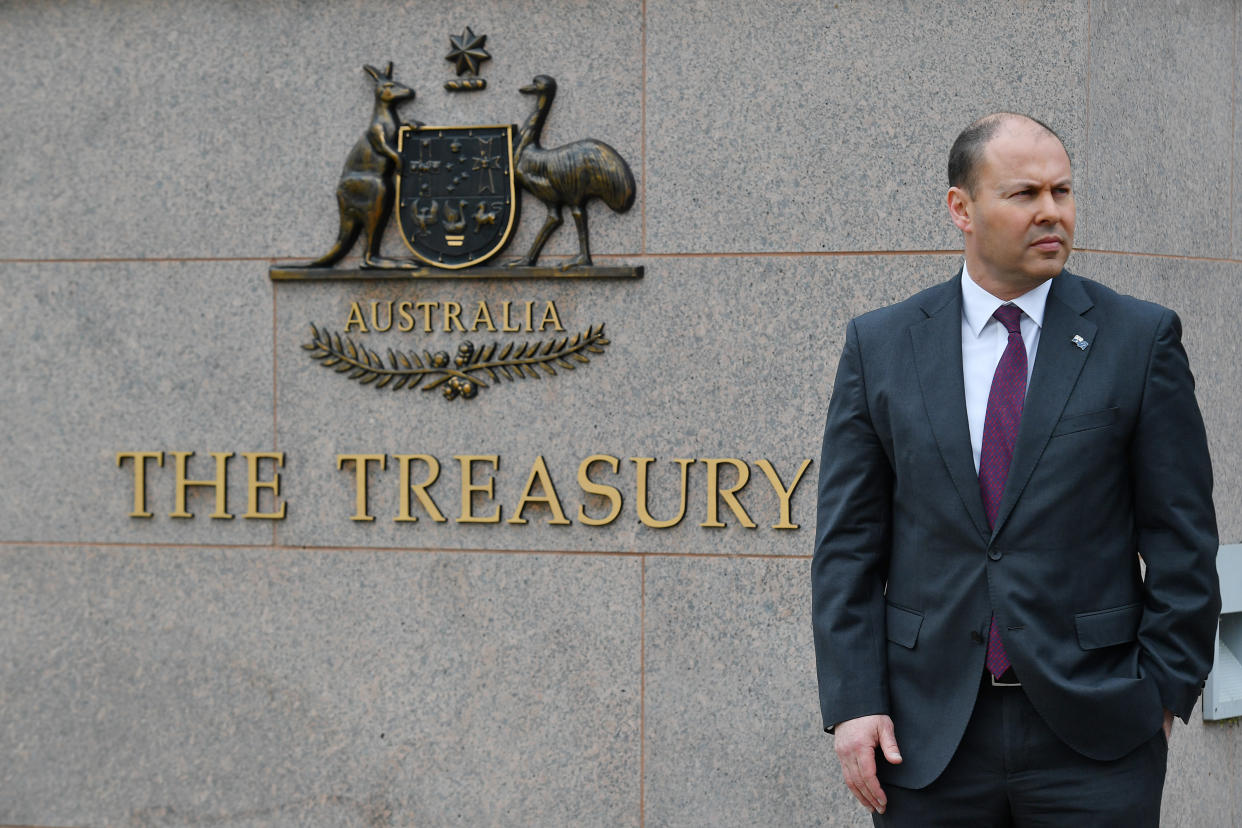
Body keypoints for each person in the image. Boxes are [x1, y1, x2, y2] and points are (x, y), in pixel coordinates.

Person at [811, 113, 1221, 826]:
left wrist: (1161, 695)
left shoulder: (1139, 338)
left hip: (1096, 737)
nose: (1051, 213)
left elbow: (1183, 539)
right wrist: (854, 704)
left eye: (1062, 192)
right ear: (961, 209)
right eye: (1025, 193)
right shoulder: (880, 345)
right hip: (924, 738)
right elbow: (848, 547)